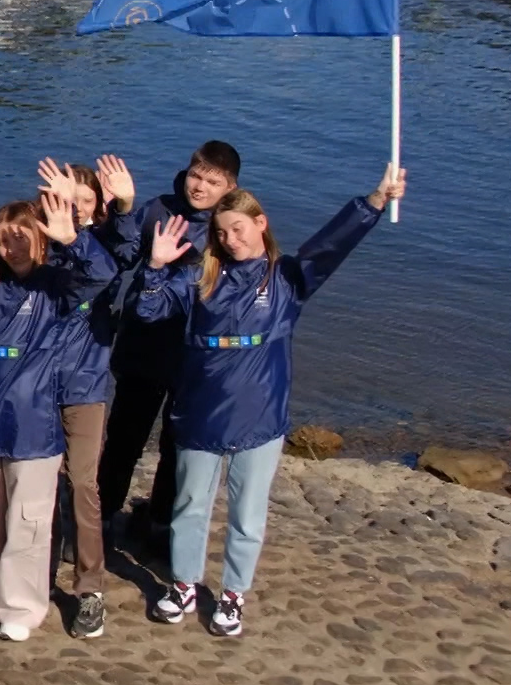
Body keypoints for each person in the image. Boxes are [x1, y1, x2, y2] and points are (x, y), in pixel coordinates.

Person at [139, 167, 406, 636]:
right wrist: (156, 268)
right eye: (221, 233)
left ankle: (233, 594)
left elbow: (332, 245)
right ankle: (183, 585)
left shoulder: (287, 279)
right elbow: (147, 311)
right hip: (198, 416)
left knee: (247, 514)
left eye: (237, 229)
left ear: (260, 223)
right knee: (189, 507)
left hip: (260, 418)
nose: (230, 239)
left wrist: (375, 201)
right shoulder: (198, 278)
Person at [0, 190, 116, 641]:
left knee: (28, 521)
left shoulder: (55, 287)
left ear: (41, 240)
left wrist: (73, 238)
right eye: (3, 239)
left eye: (22, 237)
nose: (12, 246)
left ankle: (20, 606)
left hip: (33, 423)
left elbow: (102, 275)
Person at [98, 141, 242, 550]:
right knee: (125, 438)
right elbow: (122, 256)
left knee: (177, 445)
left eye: (212, 181)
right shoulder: (159, 209)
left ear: (229, 185)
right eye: (196, 175)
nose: (200, 187)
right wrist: (120, 210)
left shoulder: (228, 226)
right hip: (143, 347)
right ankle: (104, 518)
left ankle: (160, 522)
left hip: (195, 357)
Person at [41, 157, 138, 639]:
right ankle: (32, 576)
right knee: (37, 487)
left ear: (96, 209)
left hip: (85, 387)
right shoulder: (43, 246)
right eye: (65, 202)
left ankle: (89, 588)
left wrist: (124, 205)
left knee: (82, 485)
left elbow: (108, 263)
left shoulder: (102, 249)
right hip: (37, 384)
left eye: (84, 203)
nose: (74, 211)